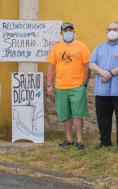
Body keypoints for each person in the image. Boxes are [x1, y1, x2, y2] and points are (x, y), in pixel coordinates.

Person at [89, 22, 118, 151]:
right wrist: (102, 72)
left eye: (115, 29)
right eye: (109, 29)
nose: (112, 31)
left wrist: (110, 73)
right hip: (102, 91)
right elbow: (91, 63)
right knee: (102, 118)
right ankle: (105, 142)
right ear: (106, 32)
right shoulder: (99, 47)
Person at [46, 22, 91, 150]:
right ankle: (69, 139)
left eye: (70, 30)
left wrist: (84, 84)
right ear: (61, 33)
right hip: (60, 87)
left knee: (77, 114)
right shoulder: (56, 48)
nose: (68, 33)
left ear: (74, 32)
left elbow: (87, 66)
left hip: (77, 86)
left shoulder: (81, 46)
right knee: (65, 114)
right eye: (65, 31)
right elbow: (50, 67)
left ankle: (80, 141)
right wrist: (49, 85)